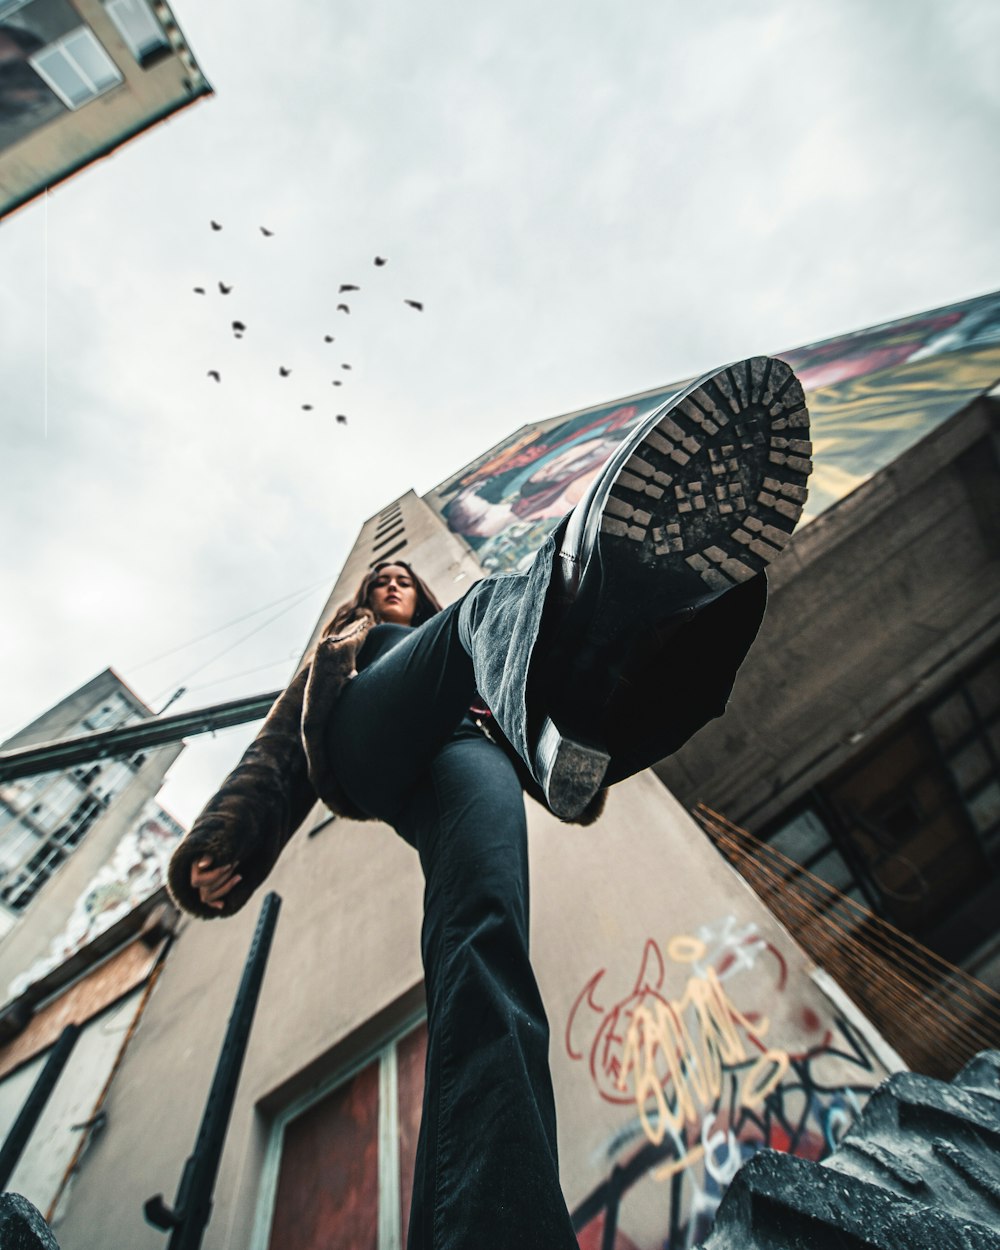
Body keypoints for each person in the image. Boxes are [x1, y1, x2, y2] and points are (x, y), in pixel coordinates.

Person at [168, 355, 811, 1249]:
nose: (391, 582)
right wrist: (229, 835)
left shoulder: (468, 647)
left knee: (488, 945)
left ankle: (494, 1225)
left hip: (473, 748)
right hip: (368, 746)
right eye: (379, 582)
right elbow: (277, 752)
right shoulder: (354, 649)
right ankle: (565, 693)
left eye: (402, 582)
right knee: (483, 618)